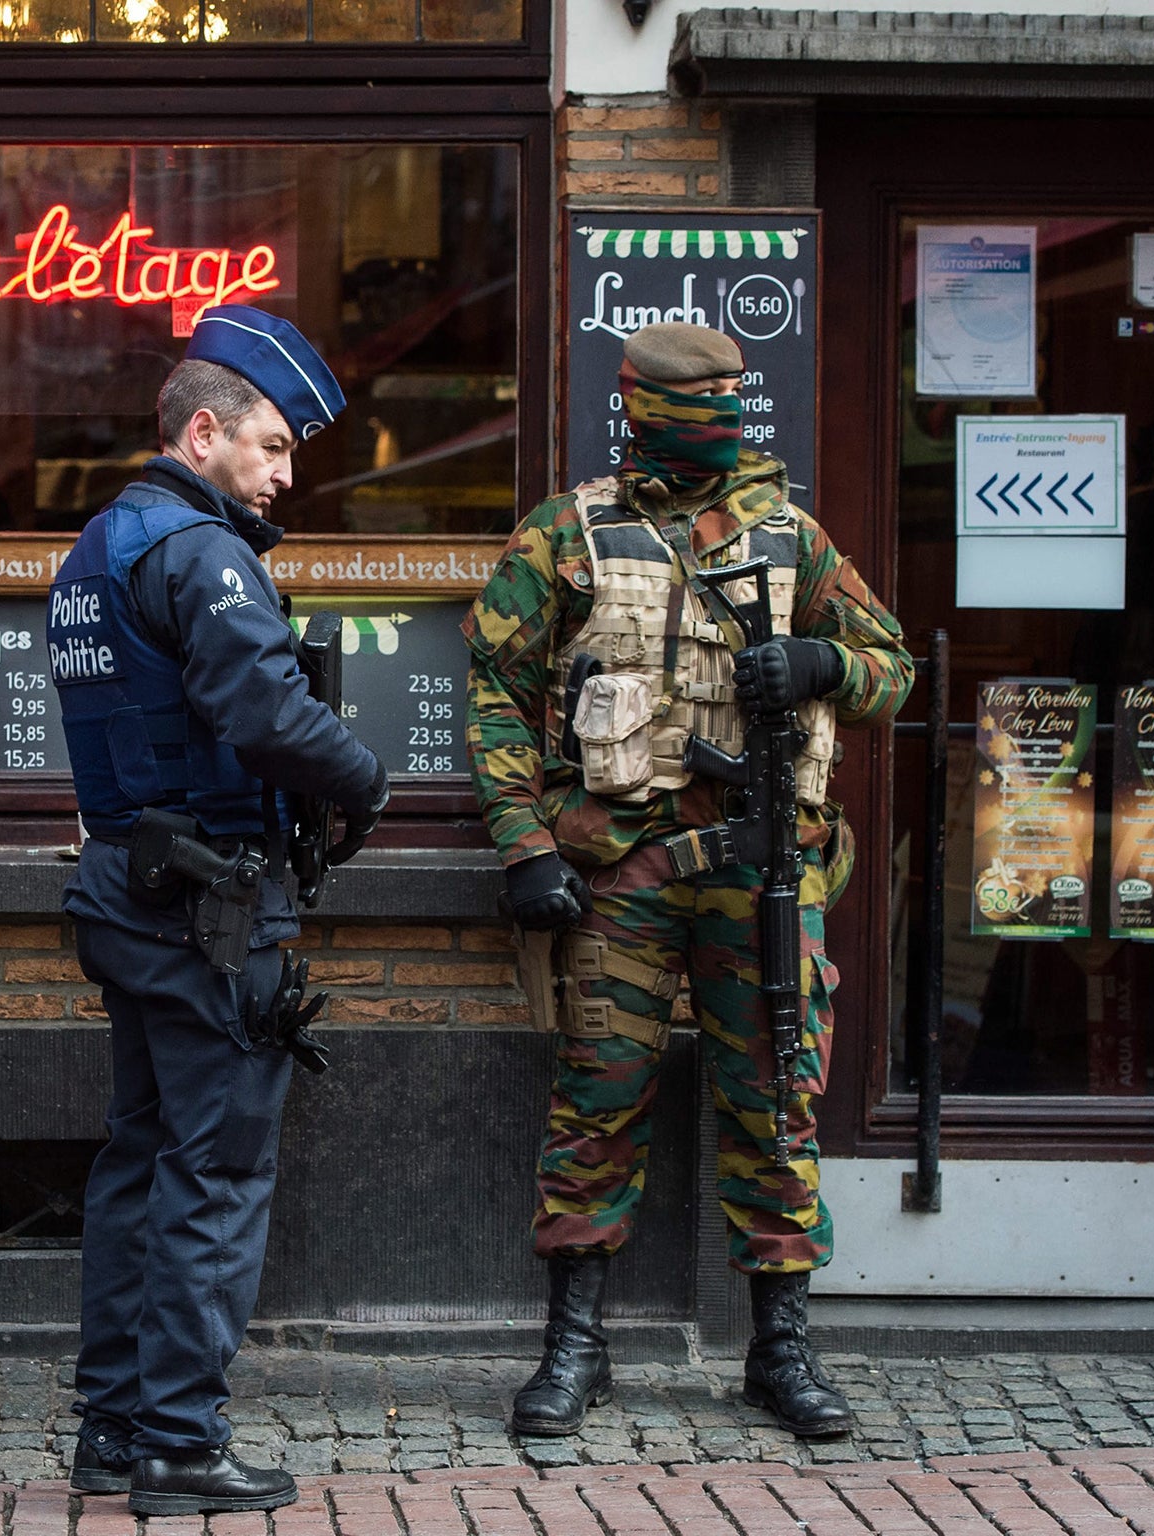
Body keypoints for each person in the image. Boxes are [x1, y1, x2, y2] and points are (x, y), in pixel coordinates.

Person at [462, 321, 912, 1441]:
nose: (720, 419)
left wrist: (819, 662)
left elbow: (890, 670)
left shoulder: (792, 540)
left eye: (729, 398)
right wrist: (522, 845)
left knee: (775, 1100)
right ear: (643, 409)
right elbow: (495, 691)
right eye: (696, 401)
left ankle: (780, 1349)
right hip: (620, 868)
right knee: (596, 1100)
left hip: (760, 867)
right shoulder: (565, 535)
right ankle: (573, 1347)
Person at [47, 305, 389, 1516]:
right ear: (204, 432)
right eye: (275, 447)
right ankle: (180, 1444)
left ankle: (111, 1431)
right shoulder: (202, 552)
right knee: (214, 1176)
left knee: (137, 1168)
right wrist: (363, 775)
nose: (285, 472)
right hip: (212, 915)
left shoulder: (97, 548)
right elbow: (262, 716)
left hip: (130, 900)